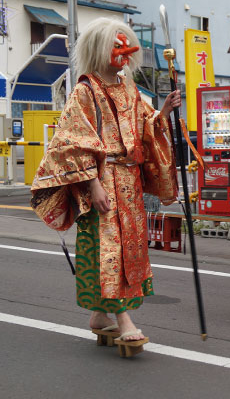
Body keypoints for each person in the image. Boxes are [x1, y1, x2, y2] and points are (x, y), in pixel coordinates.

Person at [30, 18, 180, 344]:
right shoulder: (85, 89)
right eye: (116, 45)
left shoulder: (128, 87)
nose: (124, 53)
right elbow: (72, 140)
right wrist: (93, 184)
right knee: (107, 249)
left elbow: (144, 125)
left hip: (130, 181)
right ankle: (123, 318)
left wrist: (164, 113)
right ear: (100, 48)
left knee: (132, 249)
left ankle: (99, 314)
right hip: (102, 178)